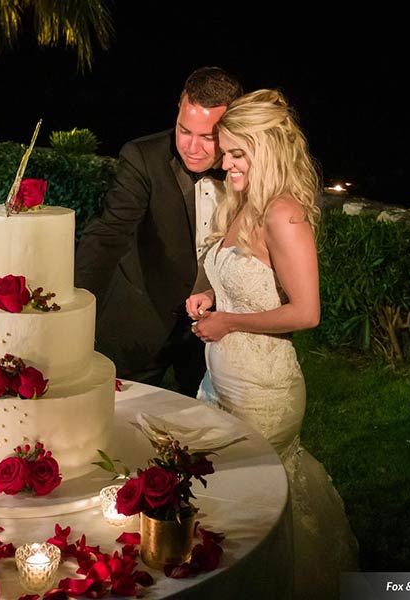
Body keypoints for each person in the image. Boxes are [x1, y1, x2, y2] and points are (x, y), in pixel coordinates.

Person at [186, 89, 359, 599]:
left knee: (255, 508)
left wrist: (228, 323)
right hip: (219, 380)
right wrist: (204, 294)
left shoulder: (284, 215)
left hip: (264, 392)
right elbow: (229, 275)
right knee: (220, 501)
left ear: (270, 150)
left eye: (239, 154)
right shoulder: (241, 202)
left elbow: (307, 312)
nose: (228, 164)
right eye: (227, 152)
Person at [75, 66, 243, 397]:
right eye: (184, 131)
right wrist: (71, 306)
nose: (192, 147)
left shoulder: (248, 167)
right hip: (141, 320)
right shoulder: (142, 157)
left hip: (216, 325)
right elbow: (109, 233)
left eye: (207, 137)